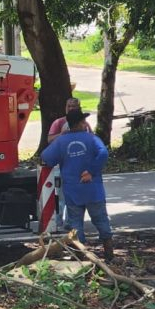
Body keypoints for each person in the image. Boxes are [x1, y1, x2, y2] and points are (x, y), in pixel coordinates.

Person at [40, 108, 114, 262]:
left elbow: (46, 157)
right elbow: (103, 153)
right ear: (80, 123)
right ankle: (109, 254)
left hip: (72, 190)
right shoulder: (91, 138)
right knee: (100, 219)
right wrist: (91, 172)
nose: (86, 123)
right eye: (84, 121)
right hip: (93, 189)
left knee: (75, 223)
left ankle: (80, 256)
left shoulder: (61, 141)